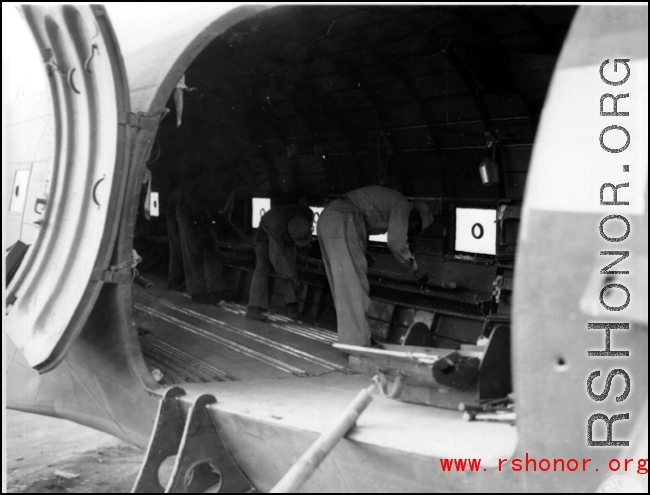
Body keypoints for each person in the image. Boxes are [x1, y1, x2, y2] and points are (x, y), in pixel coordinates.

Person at [317, 185, 433, 347]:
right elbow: (396, 243)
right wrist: (414, 270)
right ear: (417, 215)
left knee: (343, 285)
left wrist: (363, 252)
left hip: (329, 216)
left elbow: (361, 225)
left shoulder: (392, 202)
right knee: (353, 285)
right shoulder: (403, 206)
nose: (411, 230)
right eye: (416, 226)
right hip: (343, 217)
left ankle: (355, 338)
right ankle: (358, 343)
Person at [167, 168, 239, 305]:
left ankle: (219, 290)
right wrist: (208, 225)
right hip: (183, 210)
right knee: (189, 251)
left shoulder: (230, 192)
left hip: (199, 213)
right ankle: (197, 292)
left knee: (212, 252)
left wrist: (232, 229)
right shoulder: (199, 188)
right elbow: (198, 210)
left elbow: (224, 214)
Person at [246, 204, 314, 321]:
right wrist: (293, 279)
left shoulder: (308, 213)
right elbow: (275, 256)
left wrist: (291, 274)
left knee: (290, 266)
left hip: (287, 236)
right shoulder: (276, 225)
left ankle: (291, 306)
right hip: (265, 236)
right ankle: (253, 307)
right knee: (262, 267)